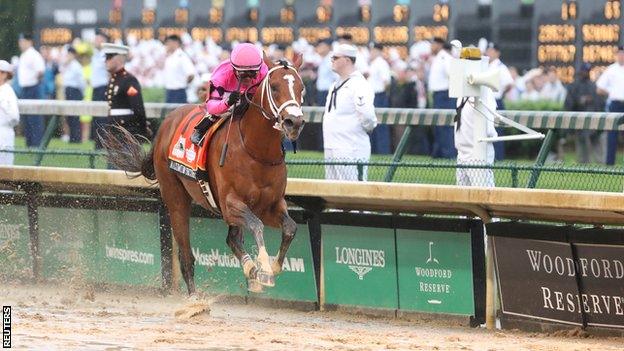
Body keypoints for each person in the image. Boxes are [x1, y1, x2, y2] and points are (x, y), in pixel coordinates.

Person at [190, 42, 268, 145]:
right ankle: (200, 130)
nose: (248, 77)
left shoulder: (264, 71)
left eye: (253, 73)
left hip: (253, 94)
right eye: (243, 74)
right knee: (216, 113)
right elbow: (211, 107)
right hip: (228, 94)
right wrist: (227, 102)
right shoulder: (221, 76)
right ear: (234, 69)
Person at [322, 44, 377, 181]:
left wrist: (358, 131)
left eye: (335, 57)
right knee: (331, 192)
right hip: (331, 145)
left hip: (350, 147)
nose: (332, 60)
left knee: (353, 191)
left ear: (347, 60)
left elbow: (368, 116)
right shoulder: (335, 85)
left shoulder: (358, 84)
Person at [454, 78, 498, 187]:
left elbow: (487, 128)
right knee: (479, 197)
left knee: (483, 198)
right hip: (468, 153)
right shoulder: (463, 94)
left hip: (475, 154)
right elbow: (489, 129)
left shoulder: (483, 92)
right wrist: (494, 134)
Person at [102, 43, 148, 140]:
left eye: (109, 57)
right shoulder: (113, 79)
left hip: (125, 128)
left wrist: (142, 128)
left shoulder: (129, 80)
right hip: (113, 127)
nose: (105, 61)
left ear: (118, 59)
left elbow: (138, 107)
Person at [564, 63, 605, 164]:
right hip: (579, 119)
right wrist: (580, 101)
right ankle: (583, 163)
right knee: (582, 141)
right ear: (580, 72)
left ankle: (600, 163)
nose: (586, 73)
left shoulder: (593, 85)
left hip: (594, 119)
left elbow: (599, 103)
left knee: (596, 141)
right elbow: (568, 104)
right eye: (584, 71)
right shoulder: (574, 86)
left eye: (587, 71)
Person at [428, 37, 456, 159]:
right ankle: (439, 153)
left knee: (446, 126)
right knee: (438, 126)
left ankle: (448, 154)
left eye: (432, 44)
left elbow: (452, 75)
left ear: (439, 45)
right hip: (438, 95)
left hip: (445, 95)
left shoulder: (445, 57)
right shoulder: (438, 58)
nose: (431, 46)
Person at [486, 42, 514, 161]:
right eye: (488, 50)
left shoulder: (501, 67)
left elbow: (509, 83)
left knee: (497, 130)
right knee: (487, 129)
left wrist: (501, 93)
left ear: (497, 53)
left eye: (492, 51)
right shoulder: (486, 65)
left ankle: (498, 157)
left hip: (496, 101)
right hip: (486, 102)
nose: (489, 53)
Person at [596, 45, 624, 165]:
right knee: (612, 134)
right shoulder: (611, 69)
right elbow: (599, 88)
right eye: (619, 54)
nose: (621, 56)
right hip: (615, 104)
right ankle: (609, 163)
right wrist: (611, 92)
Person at [17, 33, 46, 147]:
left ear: (29, 42)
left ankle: (36, 144)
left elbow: (41, 71)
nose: (20, 44)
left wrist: (34, 82)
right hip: (25, 88)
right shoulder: (24, 55)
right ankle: (29, 143)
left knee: (35, 118)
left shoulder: (34, 54)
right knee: (27, 118)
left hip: (33, 88)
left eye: (22, 41)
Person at [367, 43, 392, 154]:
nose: (370, 52)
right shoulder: (373, 64)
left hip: (379, 96)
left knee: (381, 124)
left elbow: (386, 81)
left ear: (378, 51)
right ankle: (375, 150)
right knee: (373, 125)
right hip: (372, 97)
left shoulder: (381, 63)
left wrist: (383, 95)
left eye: (372, 50)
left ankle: (383, 151)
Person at [61, 47, 86, 143]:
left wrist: (82, 94)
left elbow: (81, 82)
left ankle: (77, 138)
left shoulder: (76, 66)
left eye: (70, 54)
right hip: (68, 91)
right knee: (70, 117)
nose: (68, 56)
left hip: (75, 91)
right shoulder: (67, 65)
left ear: (74, 55)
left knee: (75, 116)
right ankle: (72, 137)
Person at [91, 29, 110, 148]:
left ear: (103, 40)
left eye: (97, 38)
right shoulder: (95, 54)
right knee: (96, 117)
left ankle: (103, 143)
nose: (95, 41)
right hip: (96, 89)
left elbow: (110, 72)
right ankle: (98, 142)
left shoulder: (106, 54)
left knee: (103, 117)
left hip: (103, 89)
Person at [163, 34, 196, 104]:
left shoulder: (182, 57)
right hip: (169, 91)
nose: (166, 45)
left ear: (175, 43)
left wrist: (183, 84)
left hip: (179, 92)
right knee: (170, 114)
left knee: (179, 114)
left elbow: (191, 74)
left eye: (168, 43)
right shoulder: (169, 57)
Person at [0, 60, 19, 165]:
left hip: (4, 134)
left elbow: (14, 117)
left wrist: (3, 104)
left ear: (4, 74)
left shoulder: (8, 92)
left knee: (5, 171)